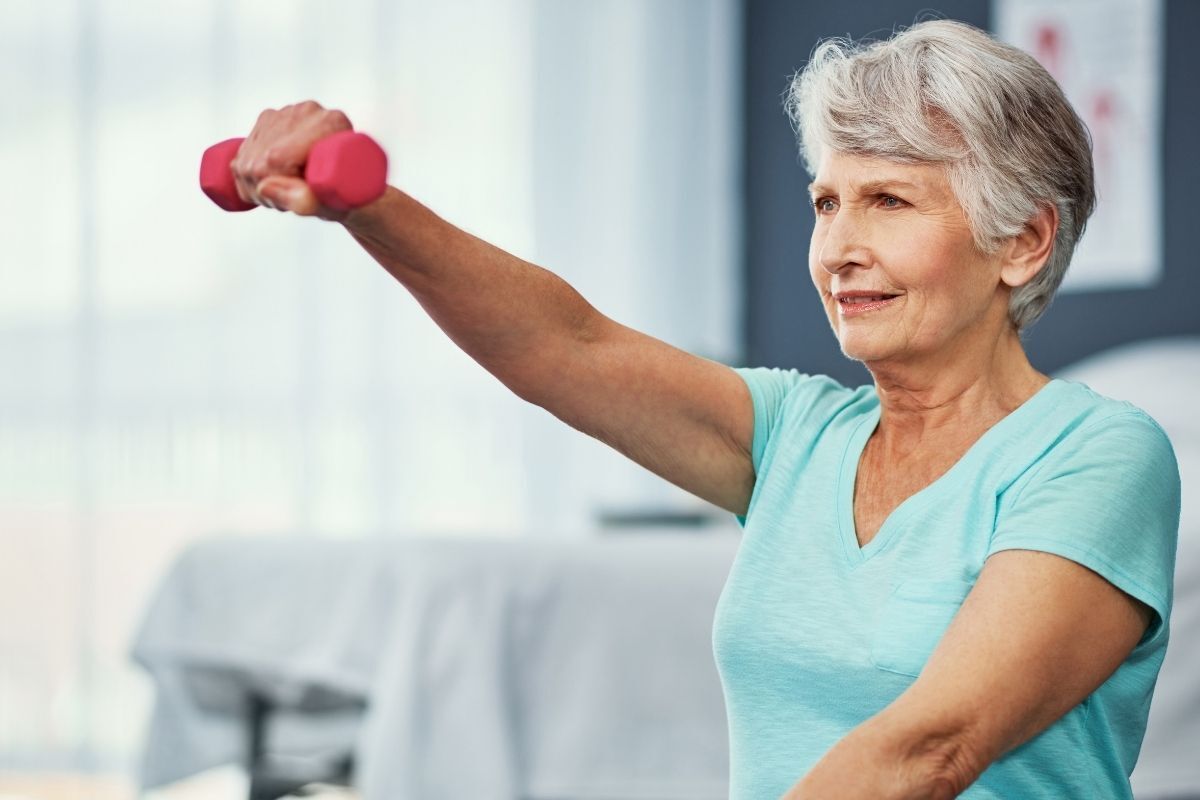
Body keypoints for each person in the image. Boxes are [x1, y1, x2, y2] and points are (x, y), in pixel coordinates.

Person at [228, 18, 1179, 800]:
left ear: (1023, 240)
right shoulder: (798, 435)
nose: (837, 249)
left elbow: (934, 747)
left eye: (888, 202)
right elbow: (566, 344)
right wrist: (364, 205)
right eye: (824, 202)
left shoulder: (1097, 456)